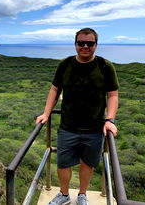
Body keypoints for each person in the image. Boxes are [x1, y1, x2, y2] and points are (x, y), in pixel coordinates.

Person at [36, 28, 119, 205]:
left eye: (90, 43)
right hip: (68, 126)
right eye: (81, 43)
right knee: (62, 164)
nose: (85, 46)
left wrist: (110, 120)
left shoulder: (105, 66)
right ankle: (64, 194)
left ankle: (82, 195)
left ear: (96, 45)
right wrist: (46, 113)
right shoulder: (65, 64)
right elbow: (54, 89)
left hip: (95, 127)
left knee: (87, 163)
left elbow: (112, 94)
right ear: (75, 44)